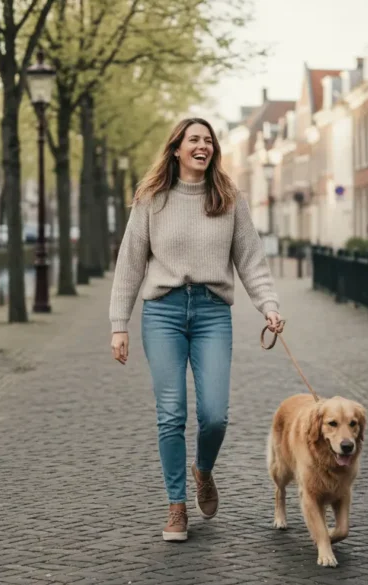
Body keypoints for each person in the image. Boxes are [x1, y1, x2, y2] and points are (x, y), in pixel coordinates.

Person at [108, 117, 283, 542]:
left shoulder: (229, 198)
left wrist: (270, 305)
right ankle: (176, 506)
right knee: (171, 415)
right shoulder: (151, 198)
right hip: (162, 313)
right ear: (176, 149)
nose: (202, 146)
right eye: (194, 140)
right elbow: (130, 263)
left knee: (215, 415)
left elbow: (251, 261)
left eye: (208, 140)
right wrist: (119, 325)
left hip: (211, 314)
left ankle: (202, 470)